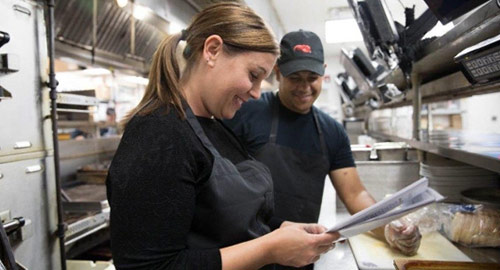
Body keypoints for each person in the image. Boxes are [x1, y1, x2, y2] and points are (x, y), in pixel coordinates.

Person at [106, 4, 339, 270]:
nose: (255, 93)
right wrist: (270, 248)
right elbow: (149, 267)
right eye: (253, 75)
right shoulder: (158, 135)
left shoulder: (214, 127)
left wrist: (280, 229)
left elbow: (219, 221)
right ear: (212, 51)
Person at [224, 30, 422, 266]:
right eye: (295, 77)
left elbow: (355, 194)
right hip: (246, 253)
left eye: (312, 77)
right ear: (277, 72)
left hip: (299, 257)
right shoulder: (246, 112)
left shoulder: (332, 132)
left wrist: (389, 227)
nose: (304, 87)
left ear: (323, 72)